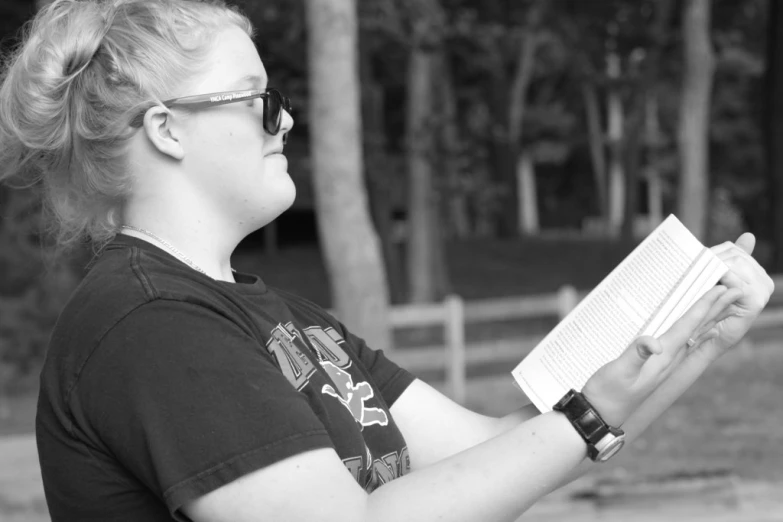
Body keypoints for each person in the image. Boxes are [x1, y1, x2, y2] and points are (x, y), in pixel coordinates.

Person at [0, 0, 774, 521]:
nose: (286, 119)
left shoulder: (279, 316)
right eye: (258, 100)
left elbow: (499, 450)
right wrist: (589, 412)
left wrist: (698, 335)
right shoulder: (150, 327)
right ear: (167, 129)